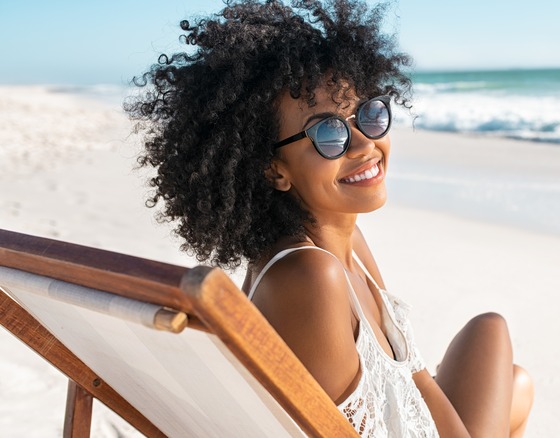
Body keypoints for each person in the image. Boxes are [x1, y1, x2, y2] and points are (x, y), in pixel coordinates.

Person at [126, 0, 533, 436]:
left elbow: (412, 375)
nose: (362, 144)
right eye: (328, 132)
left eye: (368, 115)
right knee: (511, 383)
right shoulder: (309, 274)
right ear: (274, 169)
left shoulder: (346, 242)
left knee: (501, 352)